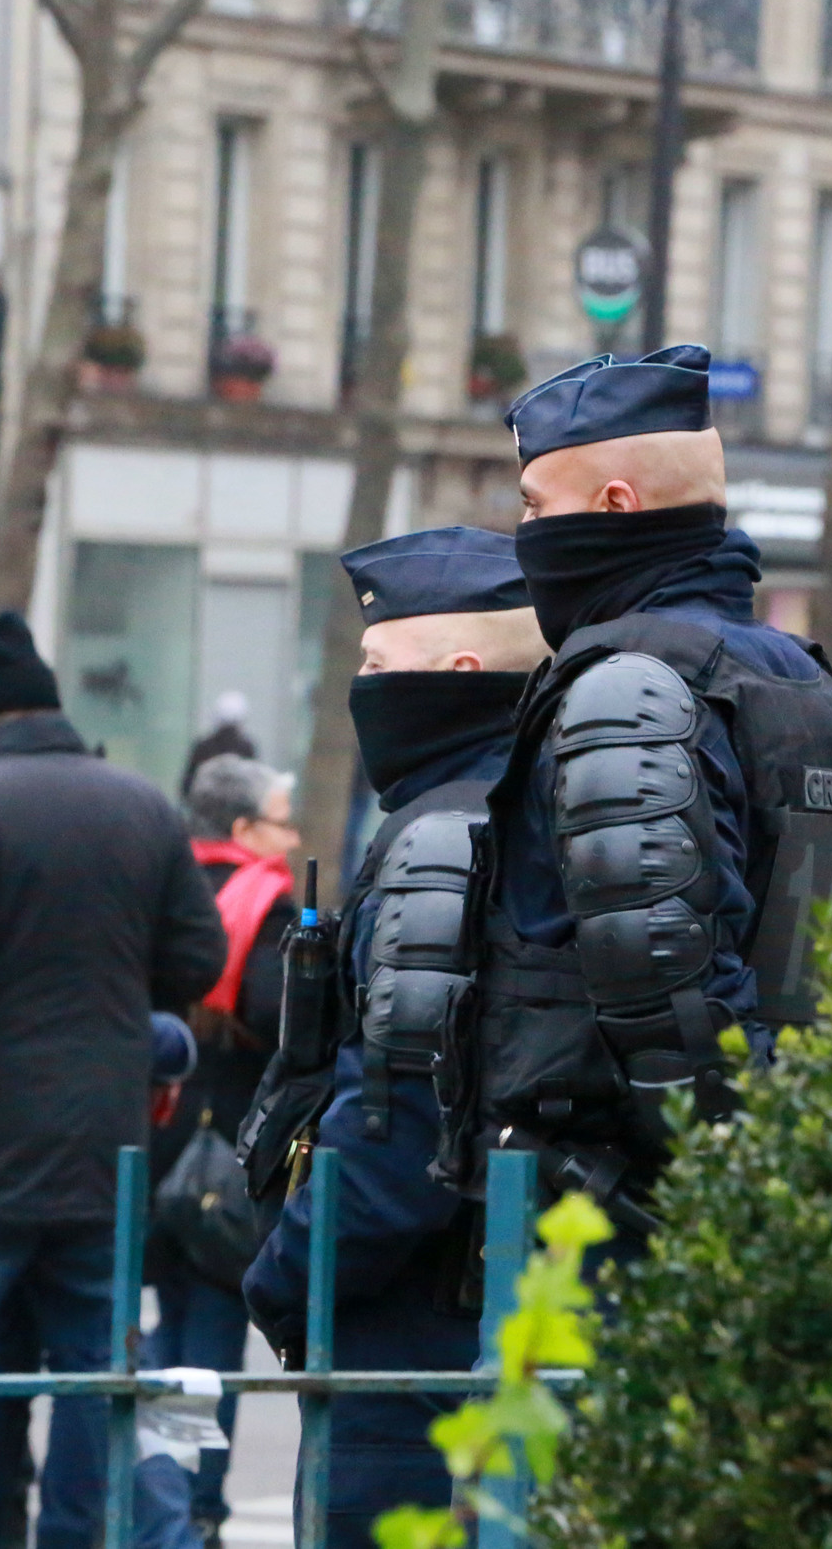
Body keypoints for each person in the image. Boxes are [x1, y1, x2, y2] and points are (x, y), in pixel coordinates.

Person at [459, 344, 832, 1230]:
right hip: (808, 1201)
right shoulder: (824, 690)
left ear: (615, 506)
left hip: (629, 1235)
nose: (524, 531)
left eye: (535, 505)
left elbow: (673, 1027)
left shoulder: (626, 692)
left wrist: (736, 1198)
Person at [0, 610, 226, 1549]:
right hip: (101, 1148)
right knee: (95, 1372)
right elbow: (199, 955)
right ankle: (82, 1534)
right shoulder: (142, 803)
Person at [238, 528, 545, 1548]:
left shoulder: (441, 841)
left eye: (376, 663)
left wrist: (286, 1275)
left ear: (455, 671)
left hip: (413, 1338)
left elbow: (396, 1121)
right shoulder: (532, 808)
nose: (361, 688)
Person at [147, 754, 299, 1543]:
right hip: (226, 1145)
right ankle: (196, 1507)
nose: (291, 837)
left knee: (161, 1329)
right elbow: (279, 1016)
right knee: (210, 1334)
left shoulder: (159, 882)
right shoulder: (266, 904)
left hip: (151, 1136)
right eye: (281, 821)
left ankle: (157, 1496)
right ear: (244, 828)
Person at [180, 692, 258, 798]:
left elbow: (187, 787)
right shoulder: (246, 747)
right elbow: (255, 787)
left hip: (205, 805)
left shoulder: (203, 746)